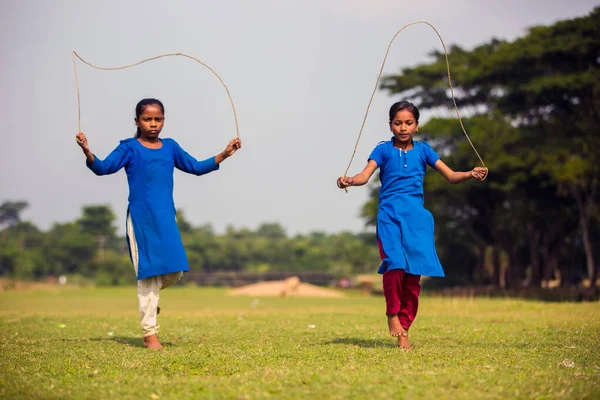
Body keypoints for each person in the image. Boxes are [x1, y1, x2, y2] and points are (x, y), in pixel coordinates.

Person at [76, 98, 241, 349]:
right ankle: (149, 334)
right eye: (147, 119)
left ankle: (151, 302)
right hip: (142, 219)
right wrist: (87, 151)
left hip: (166, 217)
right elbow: (103, 168)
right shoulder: (129, 148)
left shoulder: (171, 147)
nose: (153, 124)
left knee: (175, 270)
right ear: (137, 122)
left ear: (164, 120)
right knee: (148, 276)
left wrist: (225, 154)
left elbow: (195, 167)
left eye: (158, 119)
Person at [336, 101, 486, 349]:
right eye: (398, 123)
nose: (403, 128)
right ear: (390, 125)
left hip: (417, 219)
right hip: (390, 216)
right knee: (394, 263)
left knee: (413, 277)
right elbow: (365, 175)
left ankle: (404, 329)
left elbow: (450, 176)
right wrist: (349, 180)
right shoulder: (383, 150)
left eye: (408, 123)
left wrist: (470, 173)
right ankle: (392, 314)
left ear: (417, 125)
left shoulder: (425, 151)